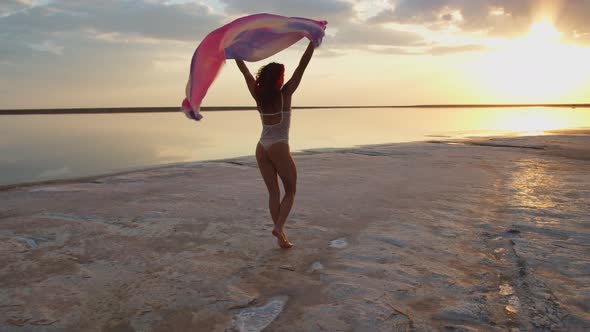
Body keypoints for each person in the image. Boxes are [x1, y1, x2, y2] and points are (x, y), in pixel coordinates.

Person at [235, 41, 315, 249]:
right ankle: (279, 228)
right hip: (279, 146)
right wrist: (312, 43)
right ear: (279, 78)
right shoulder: (285, 93)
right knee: (290, 192)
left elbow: (245, 73)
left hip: (261, 147)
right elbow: (302, 66)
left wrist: (236, 54)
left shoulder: (258, 95)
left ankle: (281, 237)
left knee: (273, 193)